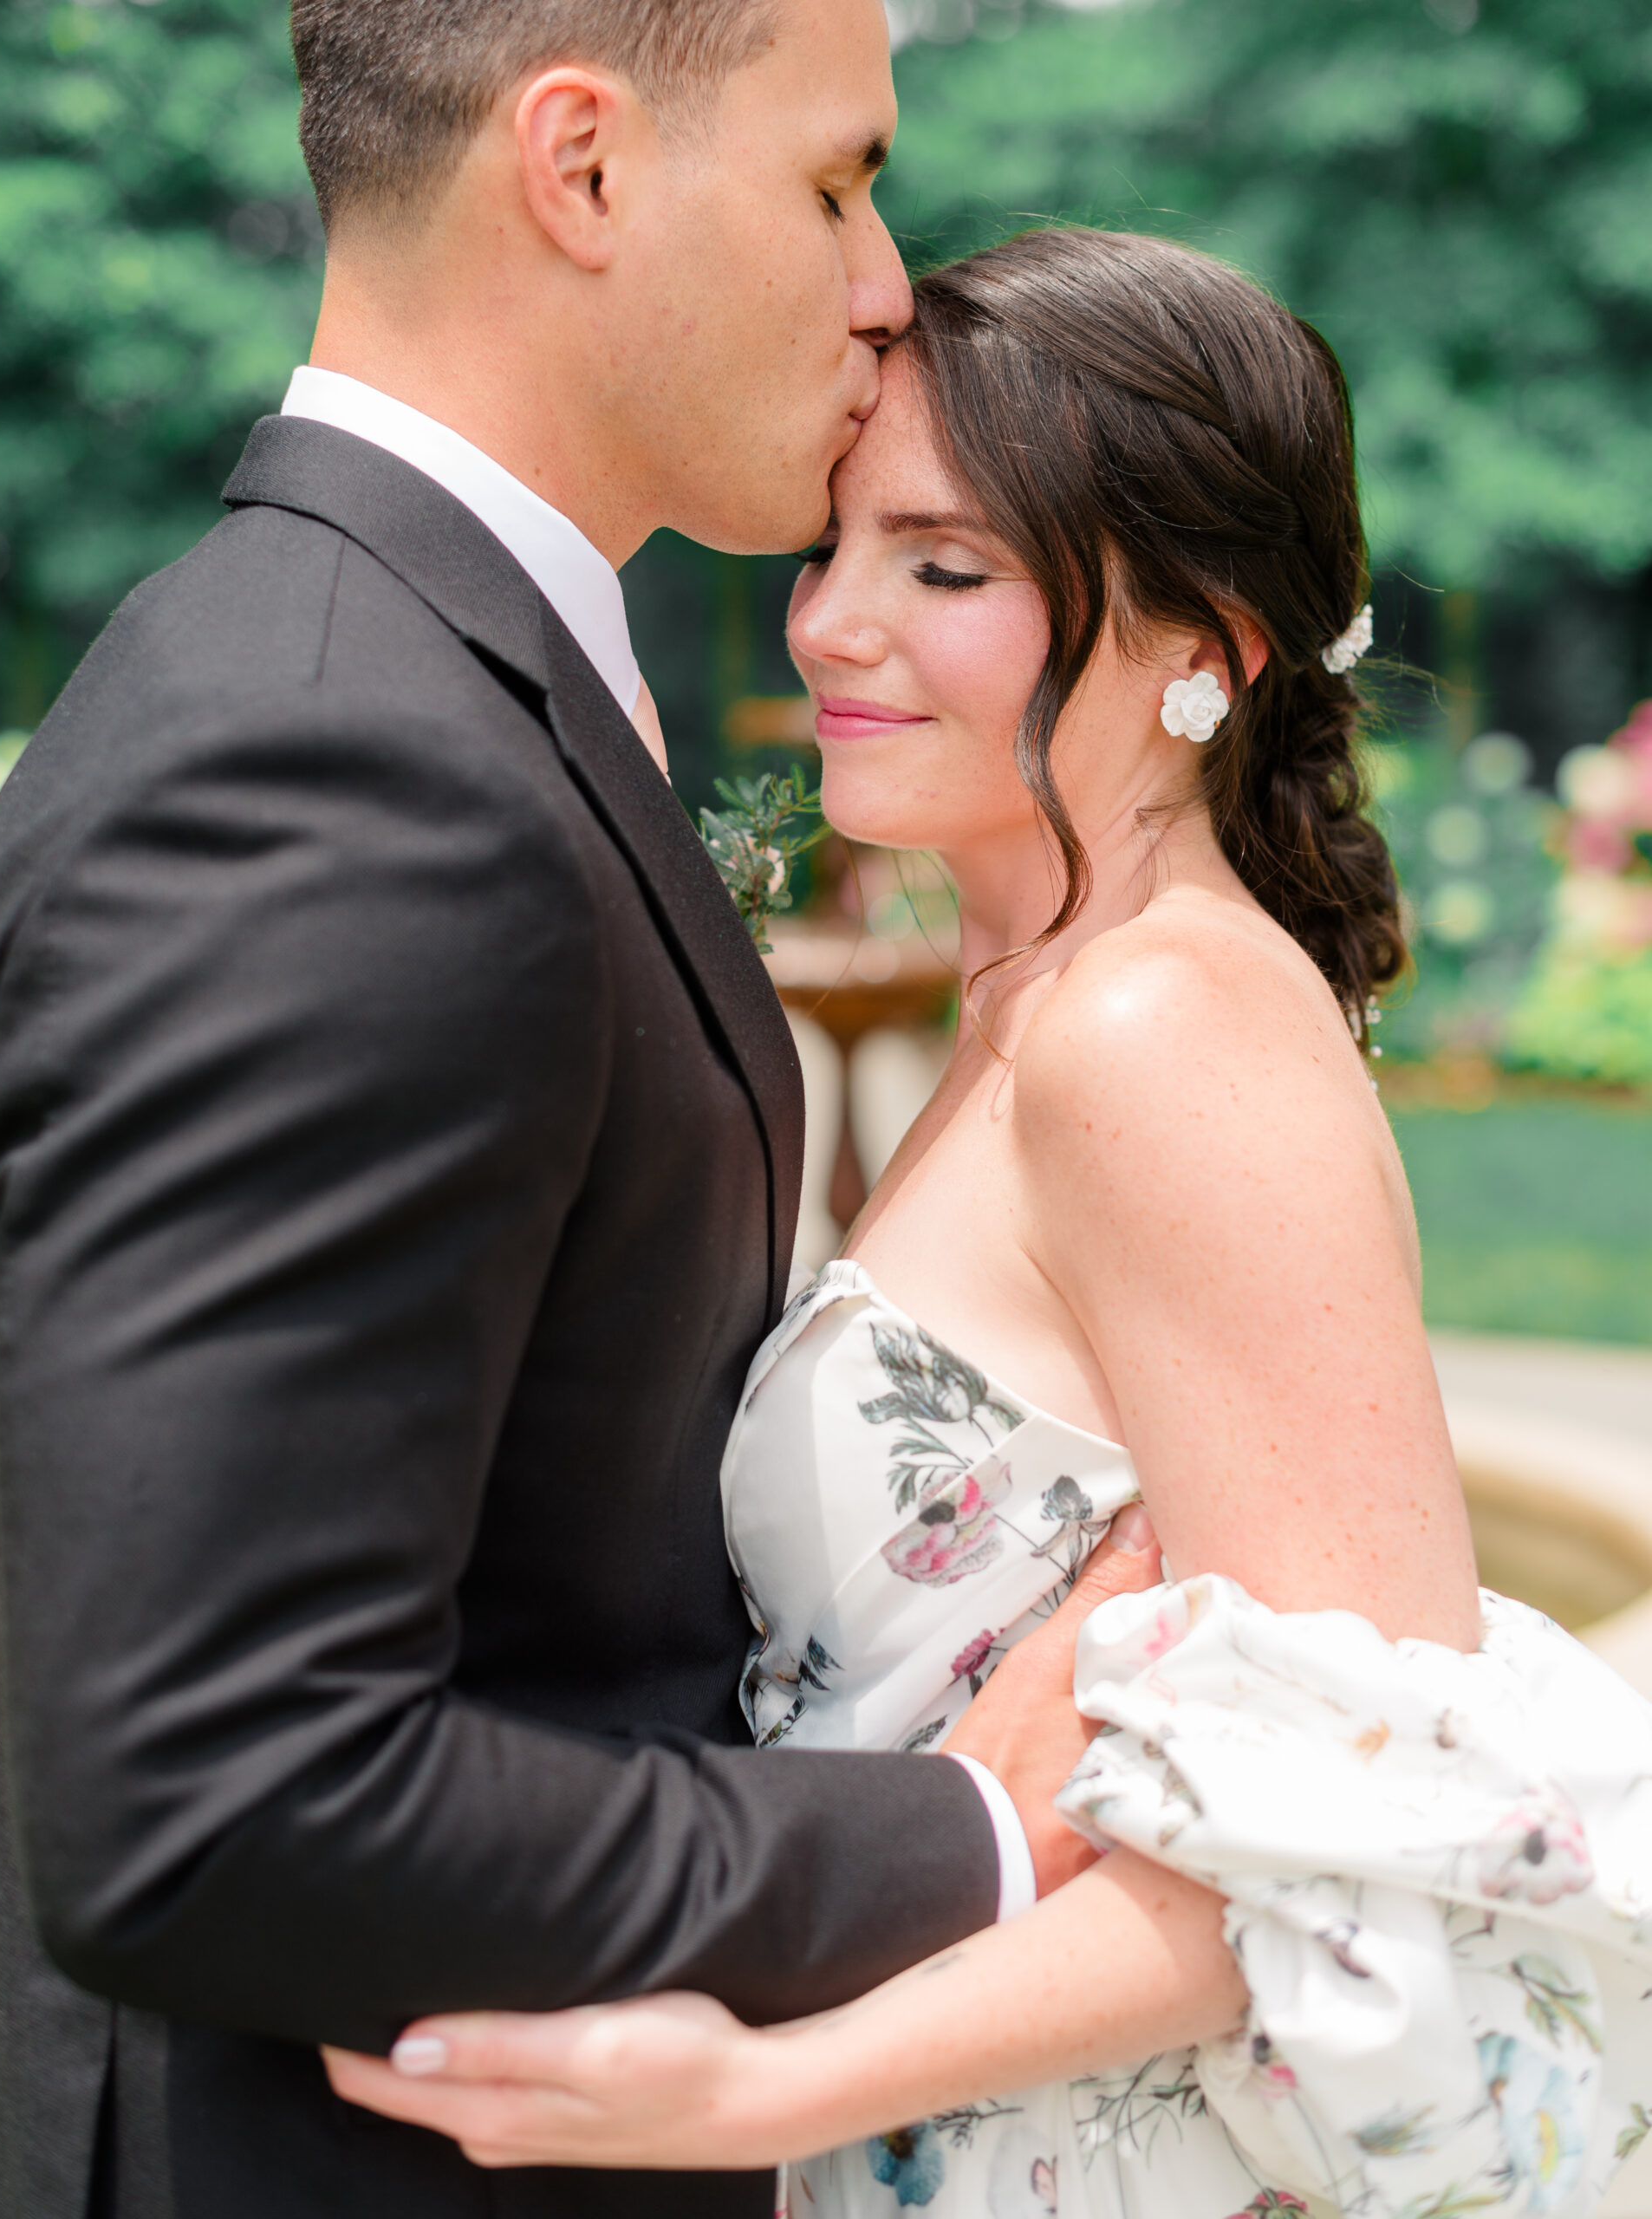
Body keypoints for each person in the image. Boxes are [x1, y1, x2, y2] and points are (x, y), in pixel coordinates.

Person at [324, 231, 1652, 2217]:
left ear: (1204, 639)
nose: (835, 628)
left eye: (945, 569)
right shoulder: (1029, 989)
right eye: (833, 547)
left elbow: (1373, 1817)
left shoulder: (1157, 1024)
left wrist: (759, 2089)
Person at [0, 12, 1164, 2218]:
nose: (889, 276)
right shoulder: (340, 768)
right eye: (836, 184)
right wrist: (967, 1835)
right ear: (584, 168)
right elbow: (218, 1797)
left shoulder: (391, 672)